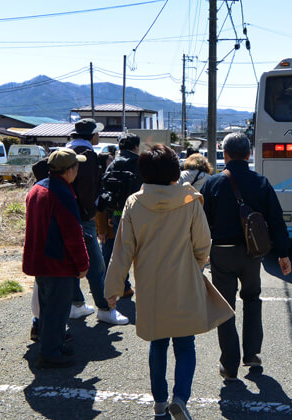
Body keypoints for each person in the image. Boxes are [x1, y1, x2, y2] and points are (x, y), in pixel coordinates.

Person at [104, 144, 233, 420]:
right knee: (185, 344)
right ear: (175, 170)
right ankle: (180, 398)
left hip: (150, 286)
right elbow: (203, 244)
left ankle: (160, 403)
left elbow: (122, 250)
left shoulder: (134, 203)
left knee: (158, 344)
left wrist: (113, 288)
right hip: (184, 282)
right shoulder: (189, 200)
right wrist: (194, 267)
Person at [200, 132, 292, 381]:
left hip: (221, 253)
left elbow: (201, 222)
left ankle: (229, 365)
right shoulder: (261, 182)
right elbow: (276, 221)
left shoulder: (213, 183)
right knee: (252, 299)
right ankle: (251, 354)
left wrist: (199, 254)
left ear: (225, 154)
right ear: (249, 154)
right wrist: (283, 254)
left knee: (225, 307)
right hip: (252, 253)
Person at [23, 148, 90, 368]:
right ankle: (50, 352)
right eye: (76, 166)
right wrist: (83, 263)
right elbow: (72, 234)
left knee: (47, 306)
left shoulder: (38, 188)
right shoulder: (62, 193)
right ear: (69, 170)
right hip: (57, 260)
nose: (78, 170)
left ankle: (50, 344)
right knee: (57, 309)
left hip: (40, 258)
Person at [66, 118, 128, 325]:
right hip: (84, 216)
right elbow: (86, 188)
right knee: (96, 264)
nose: (98, 136)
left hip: (64, 214)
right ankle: (105, 308)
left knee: (71, 261)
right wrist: (92, 211)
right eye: (97, 133)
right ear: (91, 135)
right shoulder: (88, 155)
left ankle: (76, 304)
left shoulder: (66, 151)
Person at [97, 132, 142, 298]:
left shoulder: (113, 164)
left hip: (116, 212)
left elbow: (107, 190)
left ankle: (119, 286)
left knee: (118, 251)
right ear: (136, 146)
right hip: (138, 212)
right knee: (141, 251)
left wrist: (109, 215)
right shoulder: (139, 163)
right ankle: (146, 287)